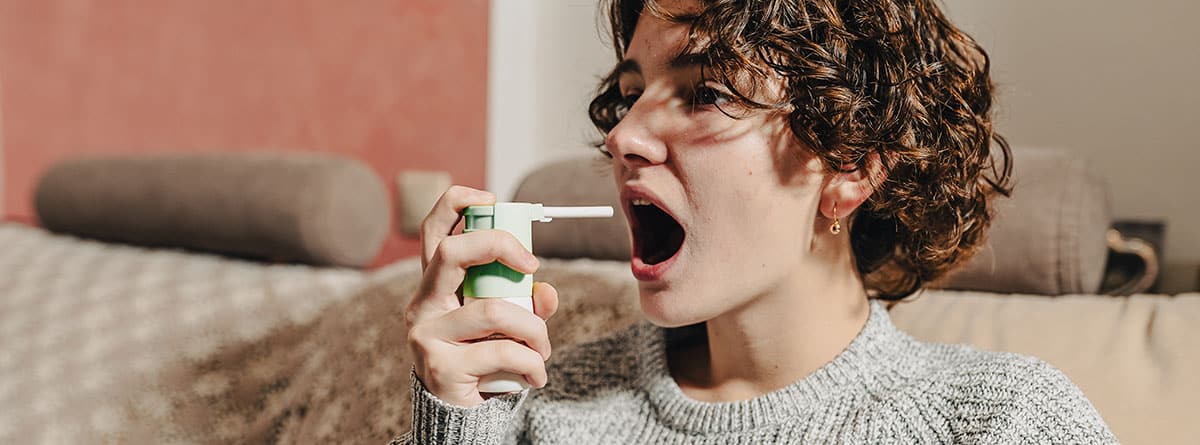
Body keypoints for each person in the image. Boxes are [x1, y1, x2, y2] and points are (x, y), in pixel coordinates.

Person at [395, 0, 1116, 443]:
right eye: (631, 93)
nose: (622, 137)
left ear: (852, 164)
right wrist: (455, 421)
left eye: (706, 90)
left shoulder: (1006, 423)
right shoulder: (536, 410)